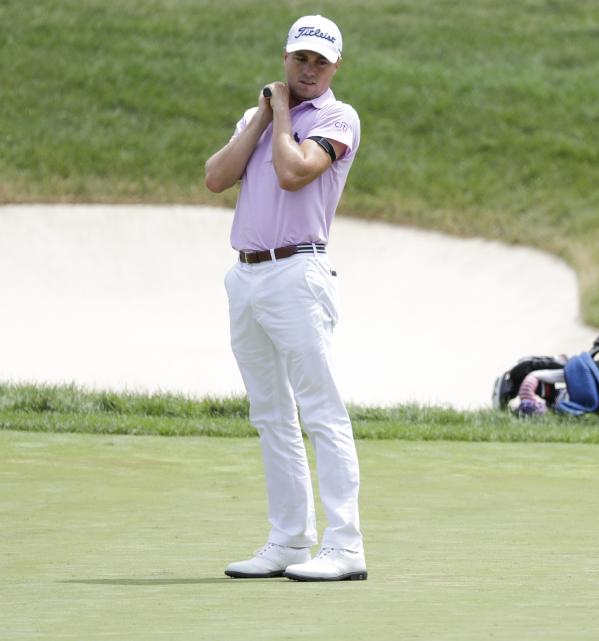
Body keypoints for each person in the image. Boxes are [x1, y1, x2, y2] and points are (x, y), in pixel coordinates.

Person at [204, 14, 365, 582]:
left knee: (320, 411)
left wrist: (278, 114)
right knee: (271, 415)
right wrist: (263, 117)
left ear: (335, 66)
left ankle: (345, 547)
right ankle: (292, 539)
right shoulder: (256, 119)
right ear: (285, 58)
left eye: (320, 61)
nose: (309, 69)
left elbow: (296, 171)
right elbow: (216, 177)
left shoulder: (339, 118)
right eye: (301, 58)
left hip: (299, 272)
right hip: (246, 276)